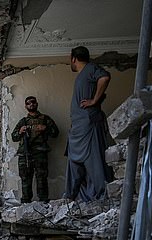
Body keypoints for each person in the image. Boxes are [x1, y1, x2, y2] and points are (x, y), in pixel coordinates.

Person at [65, 45, 114, 201]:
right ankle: (71, 196)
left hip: (88, 124)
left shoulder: (91, 68)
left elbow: (105, 77)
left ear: (73, 58)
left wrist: (94, 100)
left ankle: (103, 196)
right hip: (79, 127)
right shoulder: (83, 74)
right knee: (74, 161)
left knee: (94, 160)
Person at [11, 96, 59, 203]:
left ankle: (43, 203)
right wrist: (20, 131)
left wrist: (45, 128)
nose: (31, 104)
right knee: (25, 179)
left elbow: (55, 133)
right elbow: (14, 137)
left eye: (33, 102)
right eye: (28, 103)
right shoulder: (23, 122)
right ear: (25, 106)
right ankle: (26, 204)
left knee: (41, 178)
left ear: (36, 103)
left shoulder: (45, 119)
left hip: (40, 153)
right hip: (25, 154)